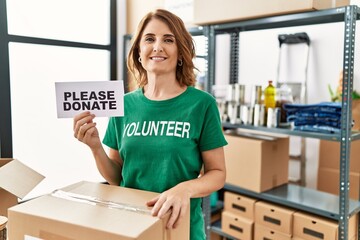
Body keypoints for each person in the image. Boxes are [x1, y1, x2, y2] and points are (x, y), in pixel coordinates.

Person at [73, 9, 227, 240]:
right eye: (149, 39)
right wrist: (95, 148)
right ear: (138, 52)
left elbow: (217, 173)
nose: (157, 47)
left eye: (168, 39)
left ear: (181, 52)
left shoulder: (201, 104)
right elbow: (118, 177)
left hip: (180, 229)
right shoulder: (123, 105)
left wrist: (185, 189)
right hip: (131, 226)